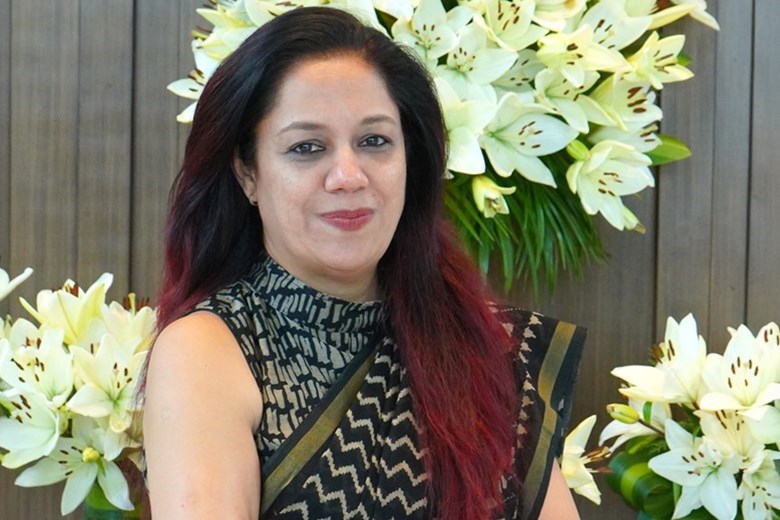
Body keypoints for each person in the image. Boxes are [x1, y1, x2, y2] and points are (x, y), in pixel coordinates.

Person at [143, 7, 585, 519]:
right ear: (247, 173)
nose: (348, 176)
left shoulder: (484, 341)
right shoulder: (209, 351)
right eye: (307, 147)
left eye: (375, 141)